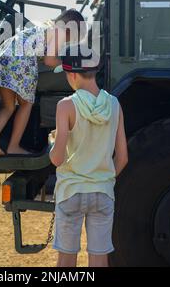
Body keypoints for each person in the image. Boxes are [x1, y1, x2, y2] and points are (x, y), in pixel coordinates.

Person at [49, 43, 128, 267]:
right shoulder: (114, 104)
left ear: (72, 75)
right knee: (99, 259)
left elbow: (56, 159)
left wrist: (53, 142)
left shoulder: (66, 106)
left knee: (66, 259)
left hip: (71, 192)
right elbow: (122, 158)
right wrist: (105, 178)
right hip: (102, 193)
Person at [0, 9, 87, 156]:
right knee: (26, 105)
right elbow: (49, 60)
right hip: (20, 63)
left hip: (4, 59)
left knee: (8, 107)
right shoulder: (59, 33)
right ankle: (13, 146)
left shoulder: (46, 27)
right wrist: (67, 64)